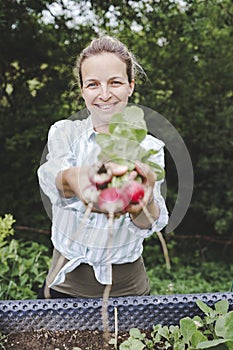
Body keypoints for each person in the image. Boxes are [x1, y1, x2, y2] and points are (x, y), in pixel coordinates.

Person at [37, 35, 169, 299]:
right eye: (93, 84)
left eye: (116, 82)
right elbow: (54, 179)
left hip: (129, 287)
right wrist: (77, 178)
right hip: (65, 283)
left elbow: (148, 222)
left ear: (130, 86)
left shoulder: (150, 146)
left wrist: (142, 199)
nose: (105, 94)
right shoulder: (64, 132)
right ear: (83, 90)